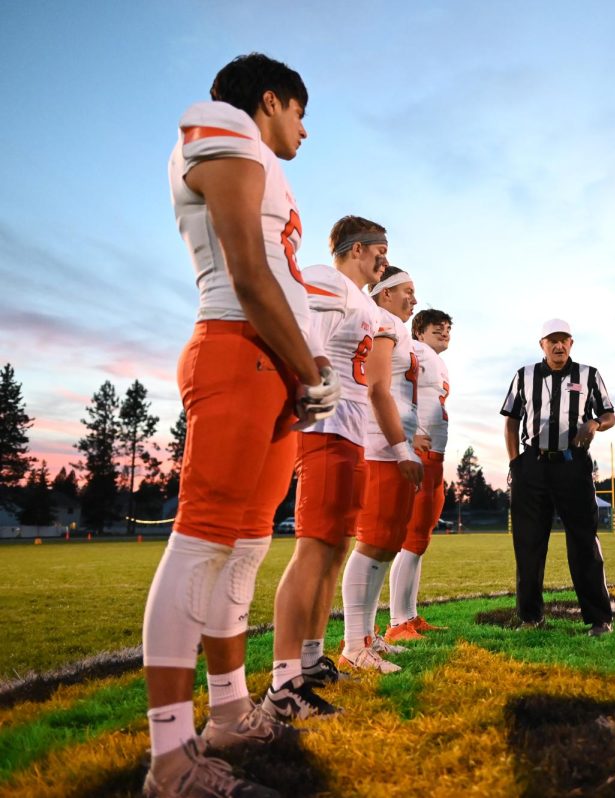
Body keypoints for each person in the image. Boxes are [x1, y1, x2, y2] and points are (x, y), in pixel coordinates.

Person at [145, 53, 338, 798]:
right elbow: (250, 271)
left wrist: (301, 371)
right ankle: (169, 758)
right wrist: (312, 368)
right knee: (202, 540)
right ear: (268, 101)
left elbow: (277, 274)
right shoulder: (221, 126)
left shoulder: (257, 155)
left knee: (246, 548)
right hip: (237, 350)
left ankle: (227, 712)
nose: (305, 131)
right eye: (300, 112)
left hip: (275, 369)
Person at [266, 216, 392, 716]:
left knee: (336, 548)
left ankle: (313, 657)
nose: (385, 259)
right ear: (359, 249)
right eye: (381, 250)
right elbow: (304, 337)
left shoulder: (361, 298)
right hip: (324, 431)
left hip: (351, 435)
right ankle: (283, 681)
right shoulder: (327, 278)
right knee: (314, 551)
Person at [501, 319, 615, 636]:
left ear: (571, 343)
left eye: (563, 339)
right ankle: (530, 617)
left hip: (573, 464)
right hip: (533, 464)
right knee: (528, 543)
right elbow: (510, 420)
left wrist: (594, 424)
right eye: (552, 340)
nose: (558, 345)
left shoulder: (588, 374)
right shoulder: (524, 375)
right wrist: (515, 464)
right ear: (542, 344)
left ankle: (598, 619)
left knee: (583, 542)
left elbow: (609, 414)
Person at [347, 266, 425, 653]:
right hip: (381, 446)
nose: (414, 298)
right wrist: (400, 448)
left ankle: (367, 637)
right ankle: (354, 645)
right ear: (385, 293)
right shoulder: (382, 321)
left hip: (395, 443)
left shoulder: (397, 327)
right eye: (407, 290)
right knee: (373, 542)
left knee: (387, 544)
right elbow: (377, 387)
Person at [388, 308, 454, 635]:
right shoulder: (414, 351)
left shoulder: (435, 359)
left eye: (447, 328)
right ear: (419, 332)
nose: (445, 331)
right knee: (411, 540)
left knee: (420, 539)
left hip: (435, 458)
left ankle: (409, 615)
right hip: (420, 454)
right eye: (437, 327)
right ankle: (397, 621)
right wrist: (408, 433)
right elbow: (393, 388)